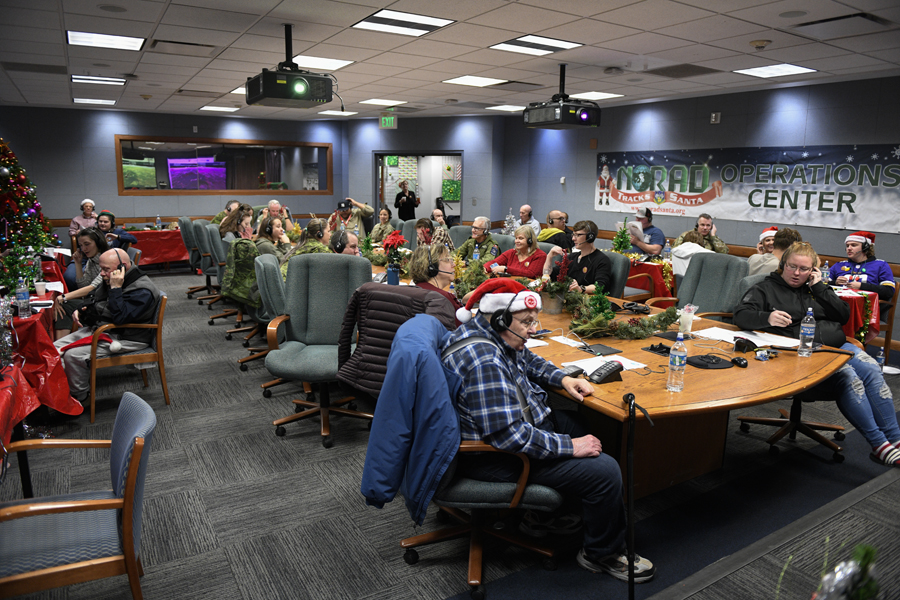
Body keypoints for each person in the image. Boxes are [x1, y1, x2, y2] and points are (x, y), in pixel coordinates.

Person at [443, 279, 656, 582]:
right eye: (527, 321)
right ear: (501, 318)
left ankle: (551, 515)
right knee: (605, 471)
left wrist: (562, 379)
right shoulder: (484, 360)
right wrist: (570, 447)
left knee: (586, 426)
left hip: (520, 424)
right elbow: (509, 437)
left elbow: (527, 359)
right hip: (498, 457)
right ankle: (602, 553)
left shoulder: (490, 332)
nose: (533, 329)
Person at [734, 242, 900, 467]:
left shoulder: (817, 288)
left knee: (870, 368)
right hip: (803, 353)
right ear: (783, 265)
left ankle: (896, 440)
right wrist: (767, 318)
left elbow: (843, 316)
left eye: (804, 269)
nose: (797, 273)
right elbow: (740, 315)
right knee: (848, 376)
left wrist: (820, 287)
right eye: (792, 267)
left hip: (837, 345)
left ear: (812, 270)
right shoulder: (765, 288)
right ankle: (879, 444)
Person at [54, 248, 161, 403]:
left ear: (122, 267)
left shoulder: (142, 290)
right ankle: (64, 388)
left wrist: (116, 288)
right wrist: (81, 309)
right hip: (106, 328)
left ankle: (80, 395)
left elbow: (120, 318)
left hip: (128, 336)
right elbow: (94, 299)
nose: (102, 274)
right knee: (54, 349)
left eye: (105, 269)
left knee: (72, 355)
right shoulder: (114, 277)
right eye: (101, 269)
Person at [57, 228, 110, 336]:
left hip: (105, 304)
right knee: (64, 305)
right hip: (94, 300)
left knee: (65, 305)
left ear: (98, 242)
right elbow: (83, 285)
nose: (84, 248)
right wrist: (78, 263)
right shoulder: (92, 259)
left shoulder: (106, 260)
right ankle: (60, 344)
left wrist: (63, 297)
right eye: (81, 245)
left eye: (87, 244)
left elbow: (92, 287)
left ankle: (59, 345)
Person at [828, 231, 896, 310]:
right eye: (847, 246)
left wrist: (861, 286)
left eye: (854, 245)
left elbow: (888, 291)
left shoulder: (881, 265)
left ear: (865, 247)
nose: (849, 248)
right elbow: (821, 285)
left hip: (866, 308)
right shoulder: (839, 265)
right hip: (838, 306)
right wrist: (835, 283)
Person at [544, 220, 611, 294]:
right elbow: (549, 275)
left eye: (578, 235)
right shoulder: (572, 257)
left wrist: (581, 289)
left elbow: (600, 286)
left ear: (590, 237)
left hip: (587, 301)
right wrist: (549, 256)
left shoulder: (602, 260)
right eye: (573, 235)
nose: (573, 239)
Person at [409, 243, 465, 325]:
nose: (454, 265)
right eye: (447, 260)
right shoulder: (444, 299)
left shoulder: (413, 291)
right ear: (432, 267)